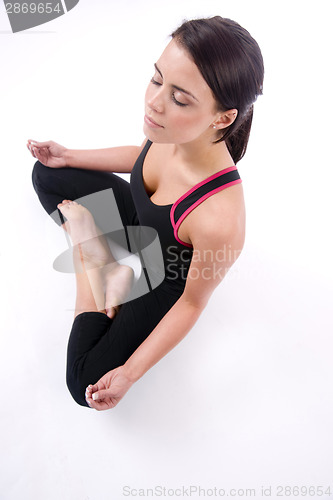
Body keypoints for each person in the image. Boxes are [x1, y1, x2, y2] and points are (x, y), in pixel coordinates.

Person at [28, 16, 264, 411]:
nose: (154, 102)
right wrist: (69, 156)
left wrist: (131, 371)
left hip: (163, 277)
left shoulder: (219, 219)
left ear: (222, 118)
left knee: (84, 381)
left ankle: (90, 256)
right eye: (157, 80)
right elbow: (142, 159)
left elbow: (191, 303)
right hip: (143, 221)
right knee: (48, 174)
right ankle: (107, 258)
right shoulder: (170, 129)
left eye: (180, 98)